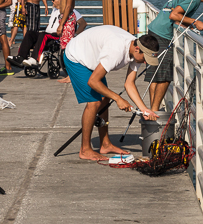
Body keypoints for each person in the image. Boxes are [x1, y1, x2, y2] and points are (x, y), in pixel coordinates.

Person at [63, 25, 160, 160]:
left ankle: (105, 144)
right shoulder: (116, 51)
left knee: (104, 98)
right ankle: (85, 150)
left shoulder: (136, 49)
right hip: (77, 56)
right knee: (94, 102)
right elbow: (93, 82)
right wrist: (118, 99)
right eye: (145, 59)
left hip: (93, 56)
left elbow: (129, 83)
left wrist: (144, 109)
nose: (145, 62)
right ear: (137, 49)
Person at [7, 0, 86, 68]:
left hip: (57, 36)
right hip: (47, 34)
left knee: (43, 35)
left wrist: (74, 35)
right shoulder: (54, 10)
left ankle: (35, 59)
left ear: (60, 0)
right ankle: (20, 57)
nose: (52, 1)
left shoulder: (71, 11)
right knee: (30, 33)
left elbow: (83, 23)